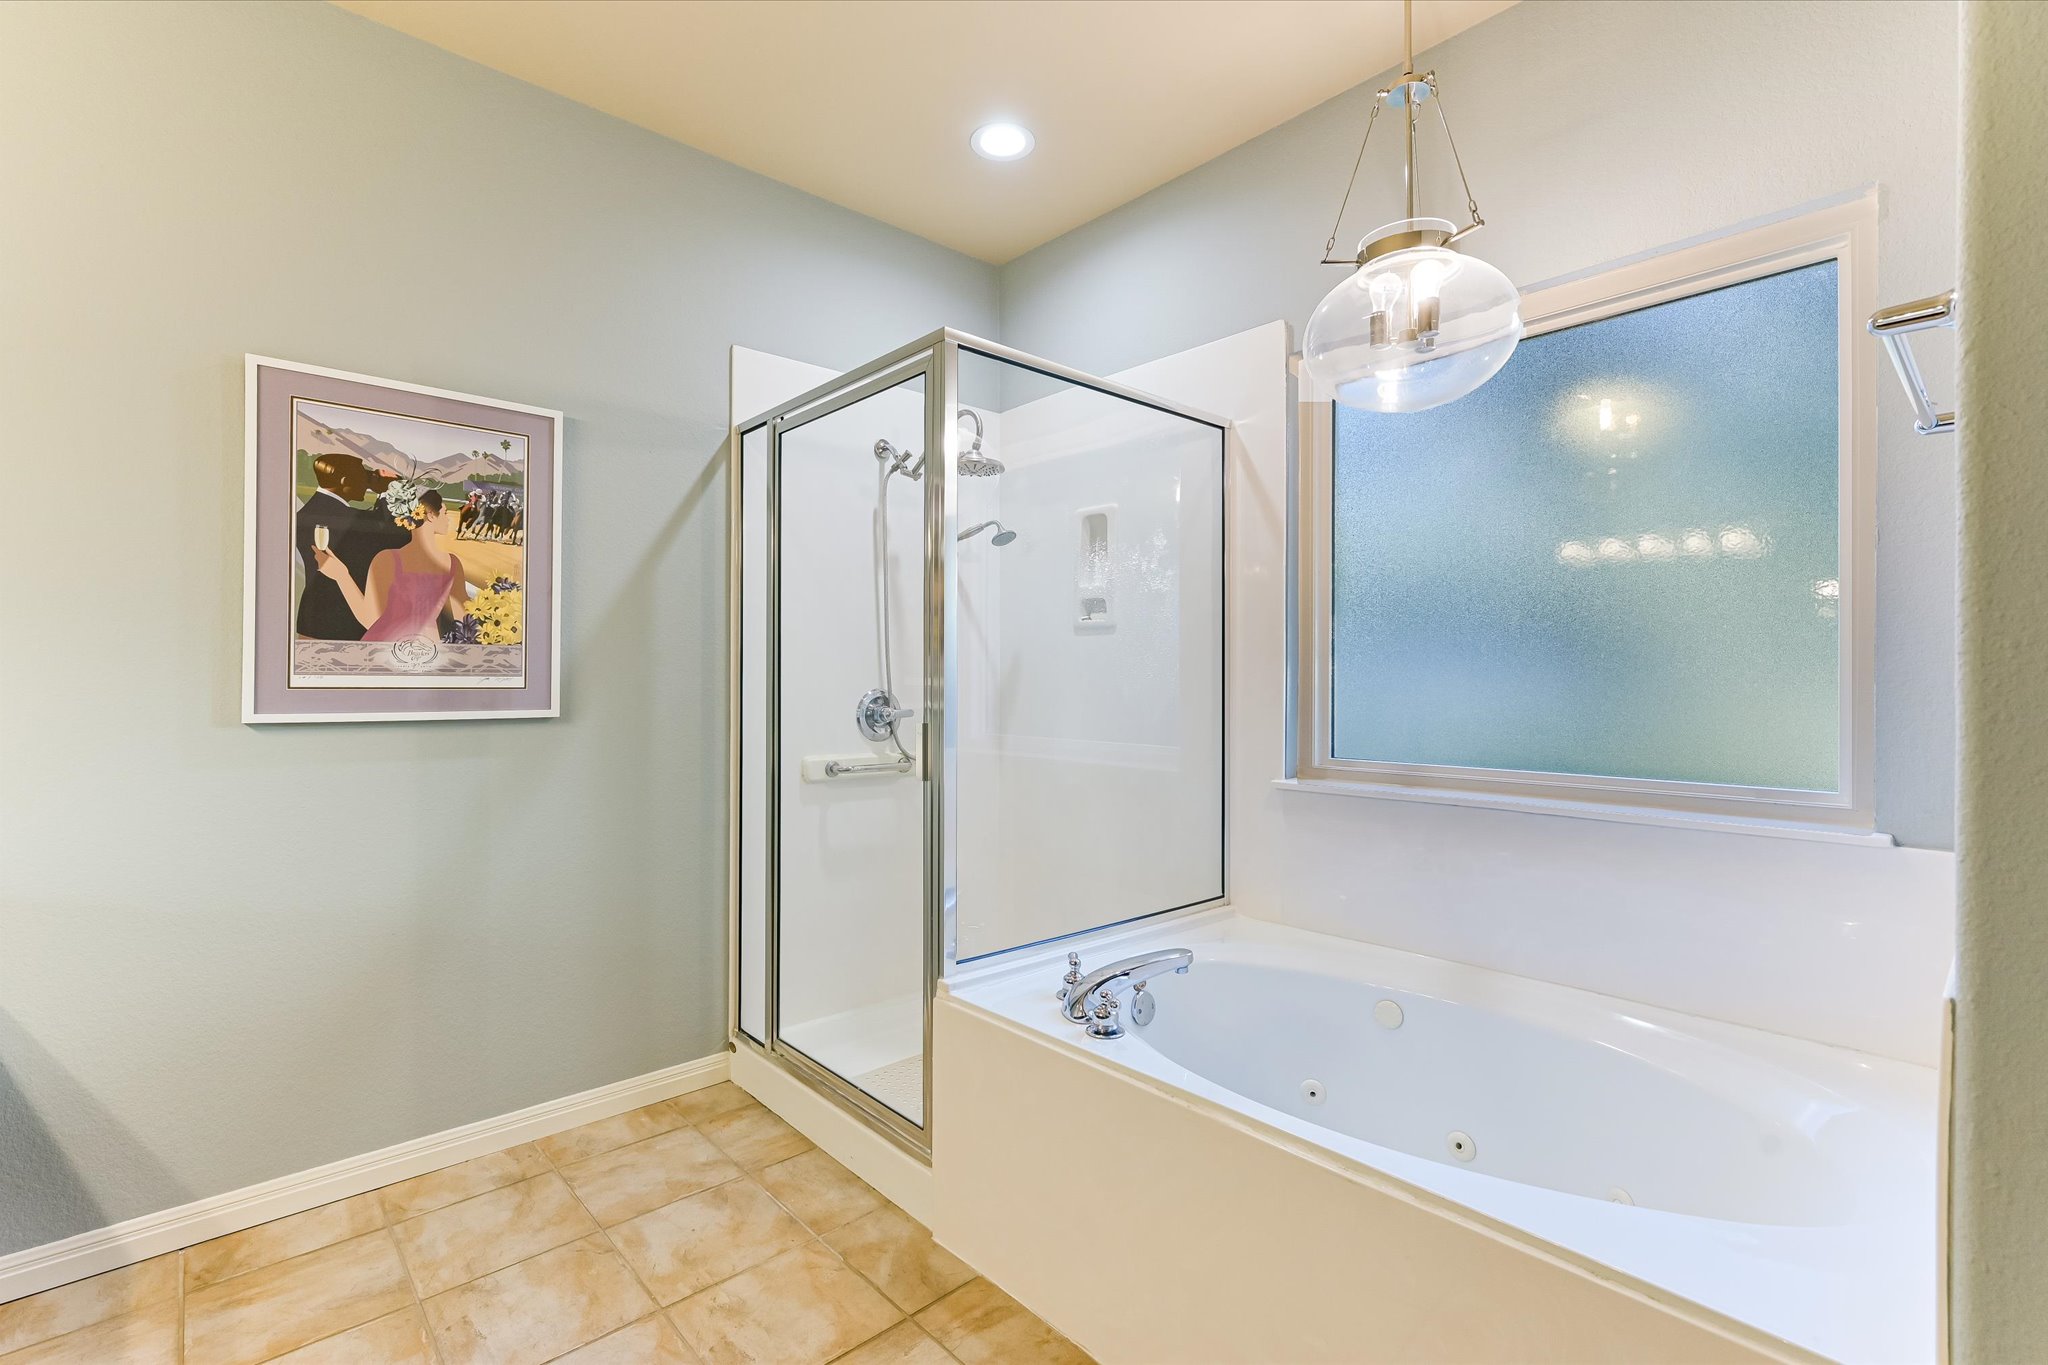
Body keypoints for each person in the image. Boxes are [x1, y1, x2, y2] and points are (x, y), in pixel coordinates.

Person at [314, 480, 469, 644]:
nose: (448, 520)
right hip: (427, 648)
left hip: (385, 646)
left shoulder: (388, 559)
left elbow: (370, 619)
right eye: (444, 513)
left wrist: (341, 576)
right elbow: (464, 620)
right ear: (430, 515)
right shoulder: (452, 563)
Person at [294, 453, 406, 640]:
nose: (366, 482)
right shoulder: (349, 520)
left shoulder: (304, 514)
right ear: (345, 480)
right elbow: (398, 538)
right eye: (363, 476)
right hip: (345, 623)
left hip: (312, 620)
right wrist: (386, 490)